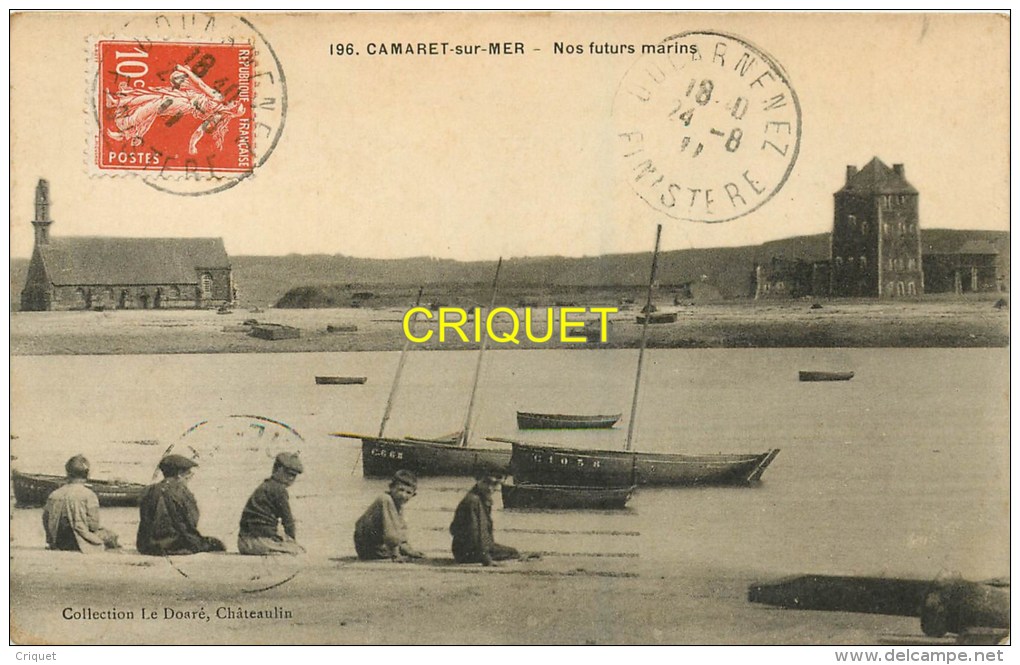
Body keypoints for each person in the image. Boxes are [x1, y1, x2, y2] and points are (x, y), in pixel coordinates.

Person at [136, 454, 225, 555]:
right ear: (179, 474)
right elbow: (192, 520)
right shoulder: (181, 491)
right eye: (188, 473)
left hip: (147, 546)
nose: (190, 476)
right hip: (174, 545)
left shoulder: (148, 490)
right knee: (217, 544)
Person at [42, 455, 120, 553]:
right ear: (87, 474)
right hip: (79, 542)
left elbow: (45, 519)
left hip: (58, 541)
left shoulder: (54, 494)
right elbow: (94, 525)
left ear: (67, 473)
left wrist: (50, 539)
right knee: (111, 535)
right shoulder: (89, 495)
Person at [237, 452, 305, 555]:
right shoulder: (279, 490)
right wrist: (292, 540)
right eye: (288, 473)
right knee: (298, 550)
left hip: (243, 541)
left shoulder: (265, 486)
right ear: (277, 469)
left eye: (294, 475)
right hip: (258, 542)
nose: (291, 478)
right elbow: (288, 521)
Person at [450, 467, 519, 566]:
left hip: (463, 551)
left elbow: (453, 529)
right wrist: (487, 560)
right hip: (468, 553)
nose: (490, 488)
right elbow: (477, 532)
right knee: (513, 553)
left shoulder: (480, 498)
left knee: (513, 552)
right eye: (487, 482)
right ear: (478, 480)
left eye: (495, 484)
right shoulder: (473, 501)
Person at [354, 469, 425, 561]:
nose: (403, 495)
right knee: (392, 535)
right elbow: (390, 530)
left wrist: (408, 549)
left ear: (413, 495)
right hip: (368, 548)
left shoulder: (397, 505)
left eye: (408, 492)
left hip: (377, 546)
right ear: (391, 488)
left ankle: (393, 550)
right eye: (400, 490)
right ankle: (392, 551)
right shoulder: (385, 500)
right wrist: (395, 554)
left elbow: (400, 529)